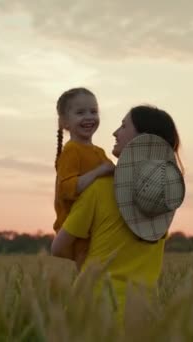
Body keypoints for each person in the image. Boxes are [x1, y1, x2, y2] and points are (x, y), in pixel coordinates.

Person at [51, 104, 186, 326]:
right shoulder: (163, 198)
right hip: (144, 317)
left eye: (124, 126)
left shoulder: (100, 189)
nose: (115, 132)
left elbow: (58, 248)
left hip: (93, 312)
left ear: (142, 138)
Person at [53, 87, 115, 266]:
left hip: (95, 226)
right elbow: (67, 190)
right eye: (80, 112)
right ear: (65, 123)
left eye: (93, 111)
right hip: (76, 230)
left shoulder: (99, 152)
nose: (89, 117)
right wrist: (99, 172)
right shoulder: (72, 150)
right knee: (88, 276)